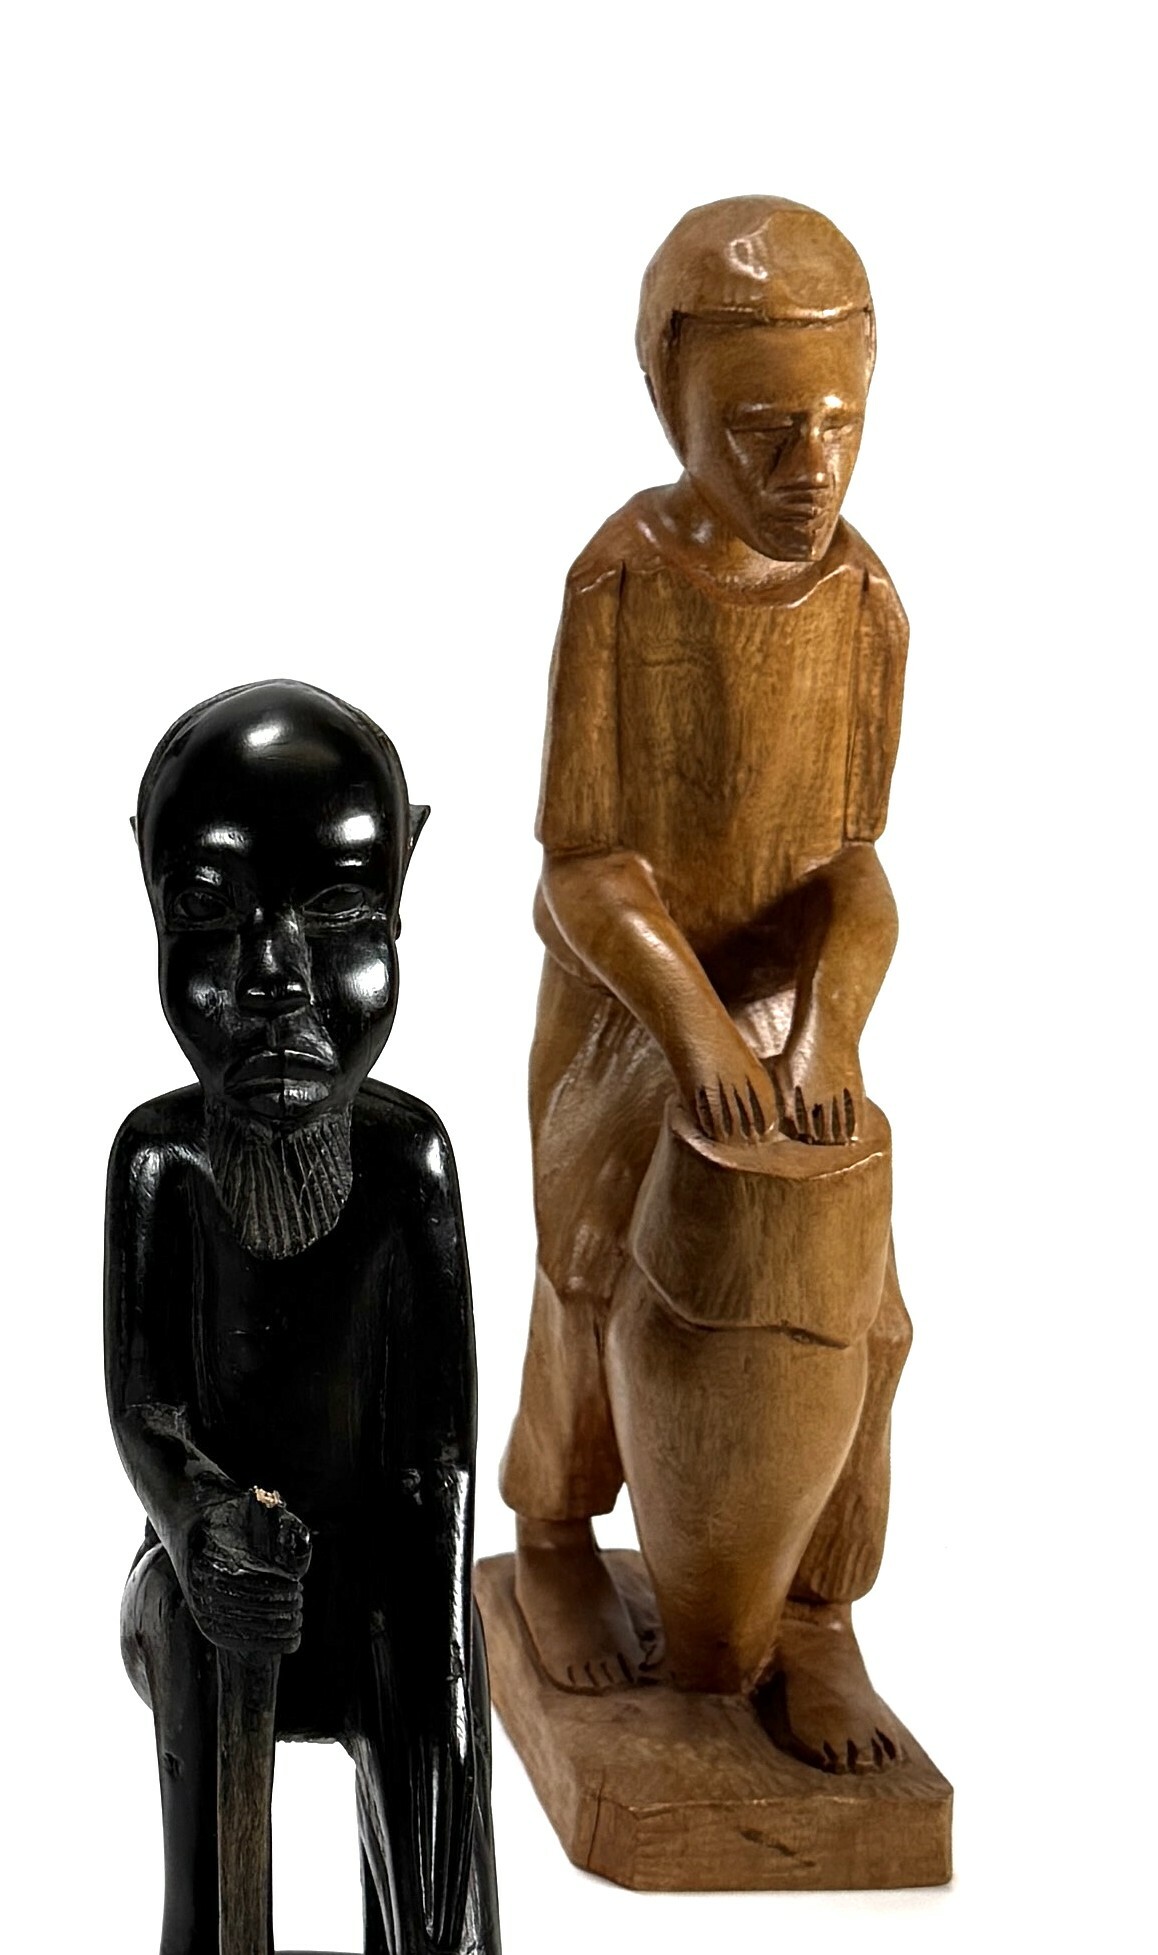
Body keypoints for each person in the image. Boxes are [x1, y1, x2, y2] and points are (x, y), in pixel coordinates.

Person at [500, 197, 913, 1771]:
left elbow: (853, 869)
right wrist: (686, 1024)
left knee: (871, 1323)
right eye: (759, 429)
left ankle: (813, 1611)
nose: (809, 465)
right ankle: (553, 1529)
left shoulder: (865, 604)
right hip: (626, 1012)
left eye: (836, 422)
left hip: (791, 1024)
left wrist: (827, 1023)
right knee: (589, 1264)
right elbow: (581, 868)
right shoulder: (618, 585)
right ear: (666, 400)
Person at [105, 685, 505, 1955]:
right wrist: (201, 1520)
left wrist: (435, 1702)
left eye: (336, 914)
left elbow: (438, 1480)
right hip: (211, 1586)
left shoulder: (409, 1165)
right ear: (149, 899)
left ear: (402, 886)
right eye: (212, 919)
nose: (275, 979)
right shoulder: (161, 1165)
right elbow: (144, 1412)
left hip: (394, 1600)